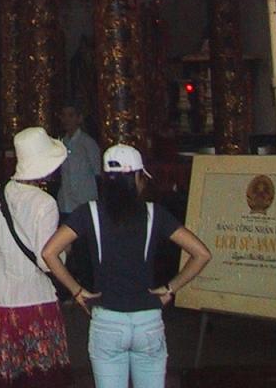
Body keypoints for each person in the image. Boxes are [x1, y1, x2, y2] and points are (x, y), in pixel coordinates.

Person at [41, 144, 211, 388]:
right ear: (138, 178)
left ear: (105, 180)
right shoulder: (155, 214)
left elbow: (49, 252)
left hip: (107, 321)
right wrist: (170, 288)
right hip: (147, 320)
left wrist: (77, 291)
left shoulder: (88, 213)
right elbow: (202, 254)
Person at [0, 126, 73, 388]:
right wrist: (65, 251)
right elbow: (47, 259)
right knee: (41, 377)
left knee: (10, 377)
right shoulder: (44, 203)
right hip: (36, 299)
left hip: (2, 299)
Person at [57, 104, 100, 215]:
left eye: (71, 115)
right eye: (64, 116)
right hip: (65, 202)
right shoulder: (61, 143)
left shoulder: (88, 143)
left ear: (79, 118)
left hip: (84, 201)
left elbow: (97, 172)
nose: (66, 120)